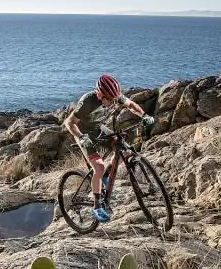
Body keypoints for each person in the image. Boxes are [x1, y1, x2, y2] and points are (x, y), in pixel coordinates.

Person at [62, 74, 155, 223]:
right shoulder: (87, 102)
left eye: (114, 100)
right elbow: (69, 123)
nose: (113, 103)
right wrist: (81, 137)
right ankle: (97, 207)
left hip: (99, 129)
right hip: (83, 134)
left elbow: (130, 104)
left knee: (125, 150)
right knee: (98, 167)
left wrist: (144, 115)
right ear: (100, 94)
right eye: (110, 100)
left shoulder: (113, 96)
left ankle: (106, 175)